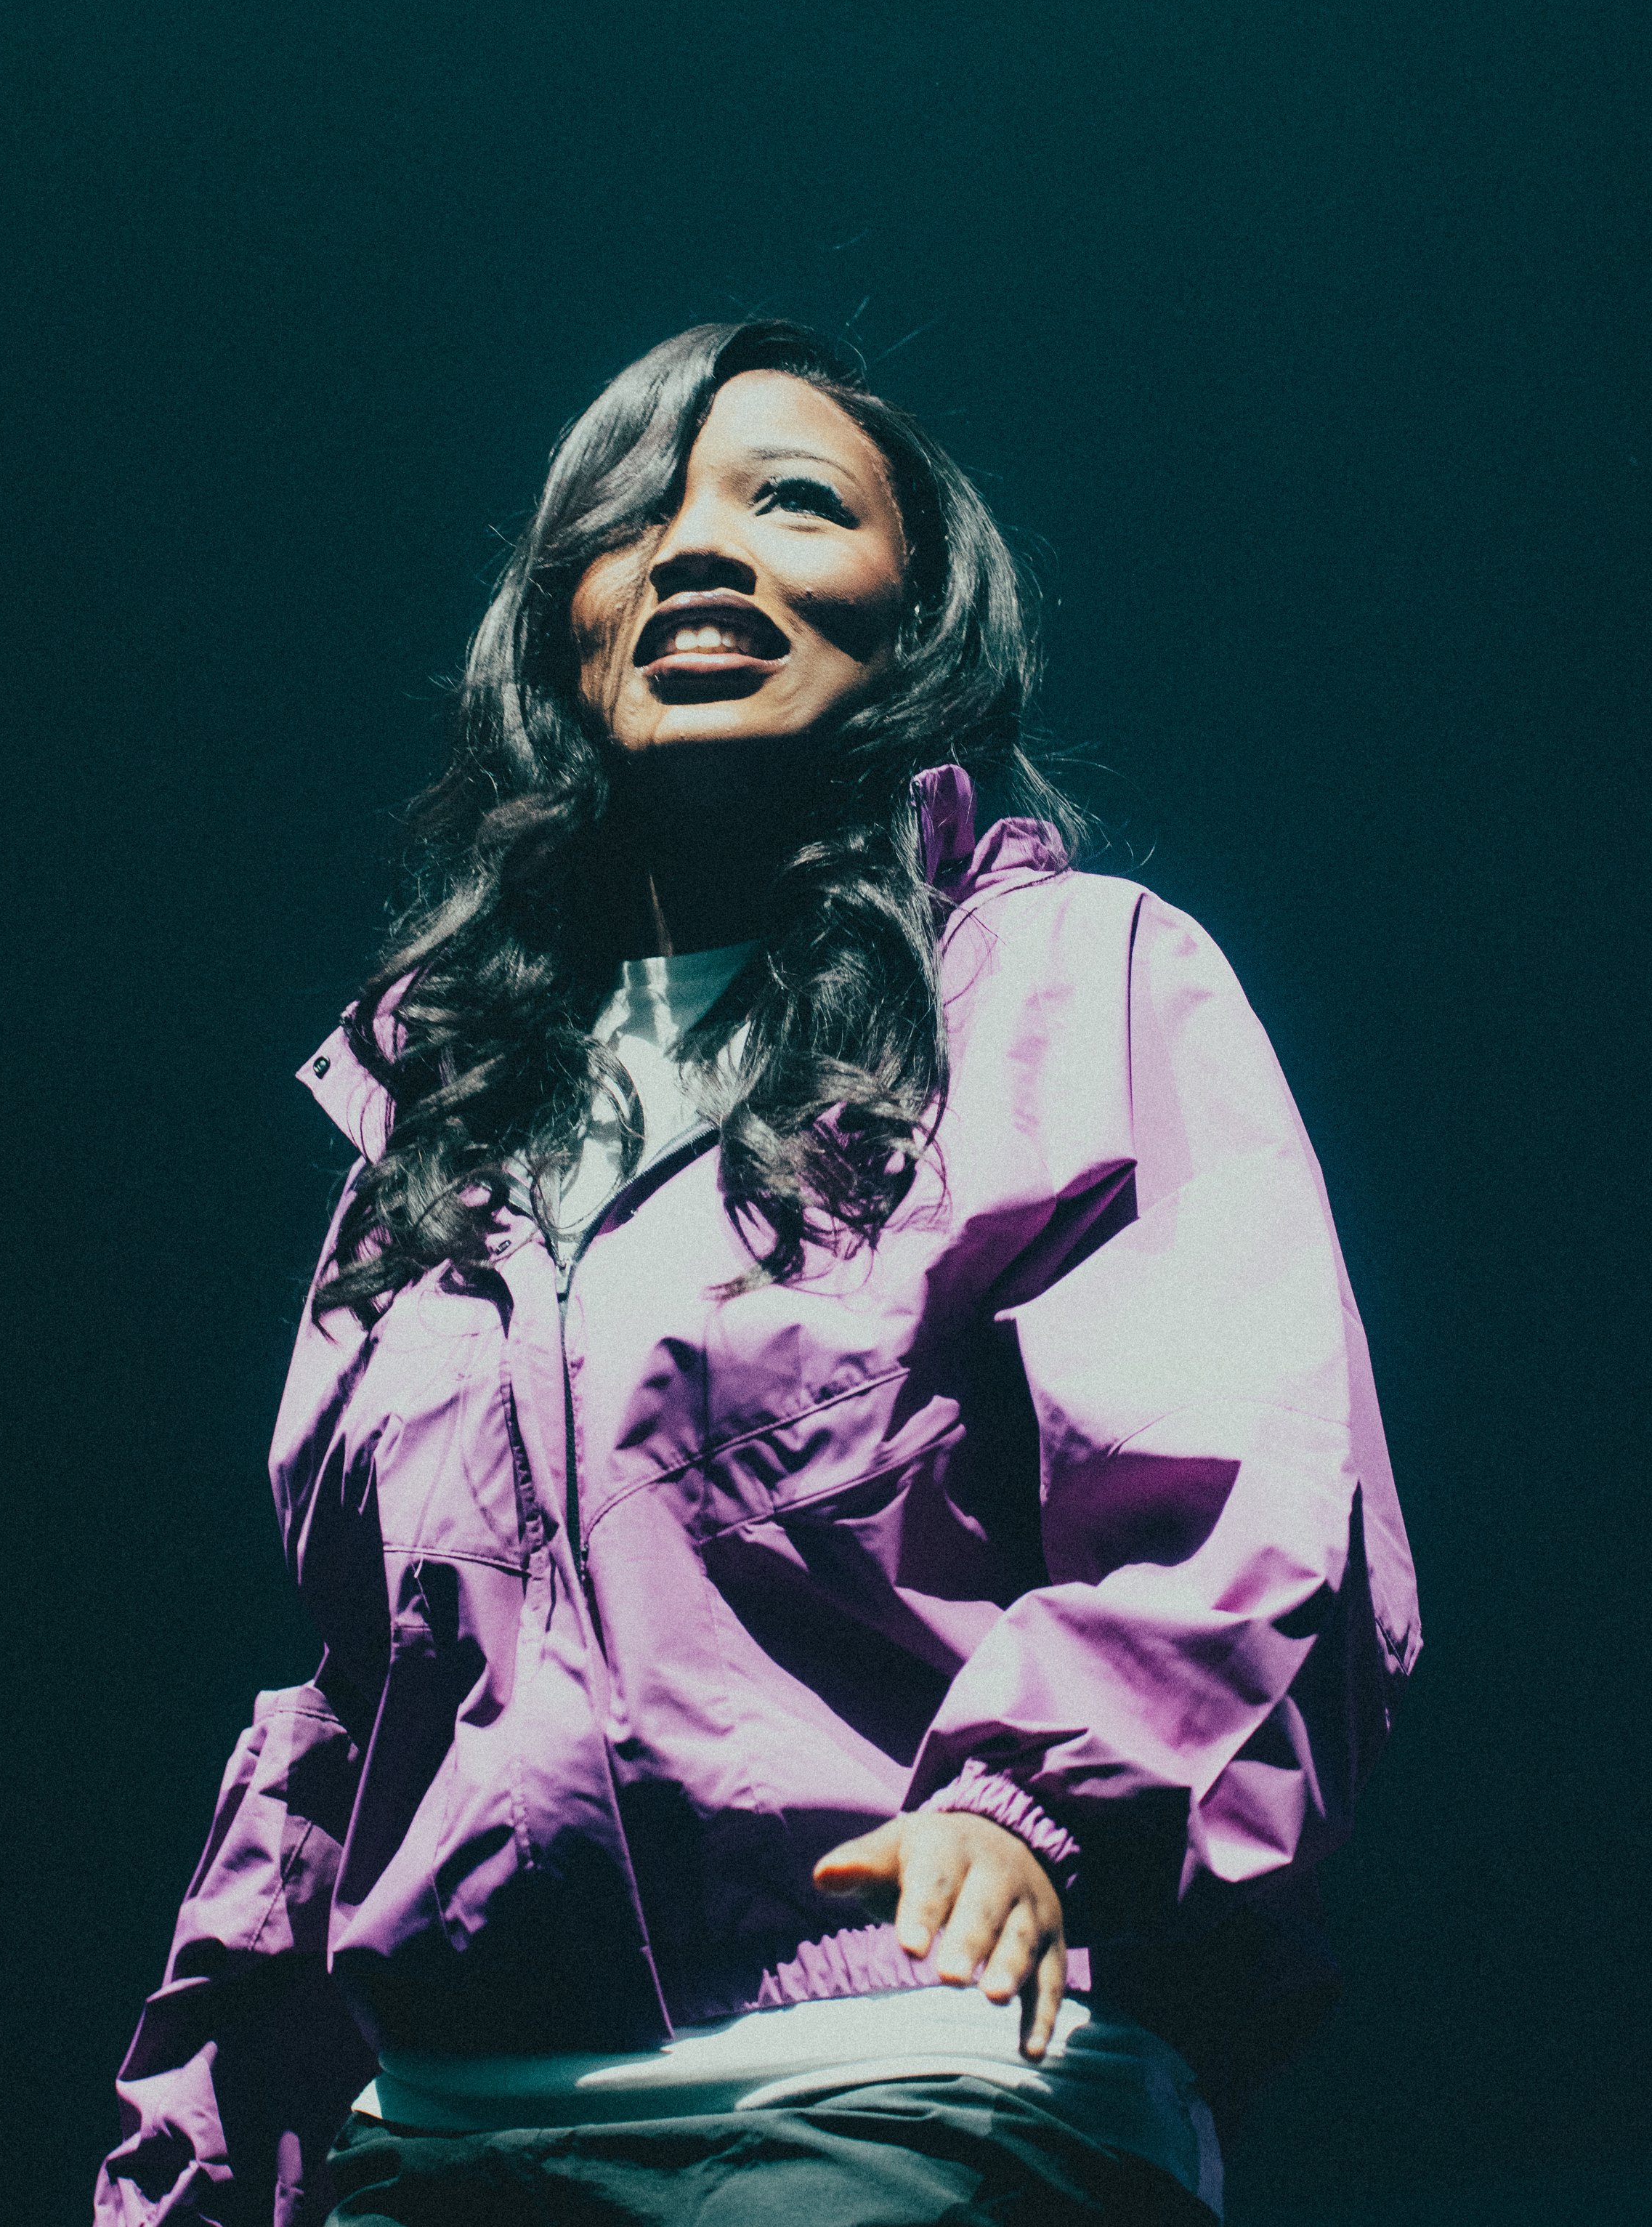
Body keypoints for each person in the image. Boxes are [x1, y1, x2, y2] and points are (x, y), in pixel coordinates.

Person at [95, 318, 1419, 2227]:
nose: (699, 549)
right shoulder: (426, 1120)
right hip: (443, 2137)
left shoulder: (1062, 985)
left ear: (917, 612)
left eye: (789, 501)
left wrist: (1037, 1809)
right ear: (563, 629)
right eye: (630, 521)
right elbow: (346, 1705)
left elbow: (1247, 1492)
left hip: (912, 2099)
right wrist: (203, 2150)